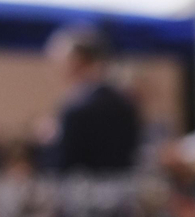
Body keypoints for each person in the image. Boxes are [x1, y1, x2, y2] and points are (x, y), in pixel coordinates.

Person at [45, 25, 141, 173]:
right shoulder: (126, 103)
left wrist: (50, 141)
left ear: (76, 61)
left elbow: (62, 164)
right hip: (122, 189)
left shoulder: (76, 108)